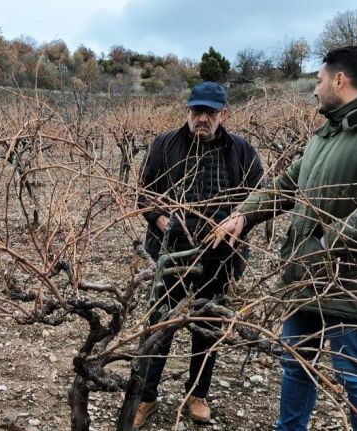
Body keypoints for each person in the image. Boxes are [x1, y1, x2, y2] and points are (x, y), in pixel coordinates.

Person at [208, 46, 357, 431]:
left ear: (339, 81)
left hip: (349, 282)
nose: (314, 90)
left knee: (354, 375)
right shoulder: (328, 131)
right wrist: (244, 215)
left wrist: (329, 244)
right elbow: (287, 184)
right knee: (295, 362)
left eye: (319, 80)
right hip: (304, 275)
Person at [134, 81, 263, 427]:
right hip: (169, 253)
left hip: (219, 258)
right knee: (160, 326)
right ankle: (146, 397)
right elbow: (144, 193)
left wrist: (240, 219)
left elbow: (257, 197)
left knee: (208, 326)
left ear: (224, 113)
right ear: (187, 111)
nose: (202, 118)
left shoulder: (241, 151)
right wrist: (160, 219)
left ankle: (198, 393)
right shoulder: (164, 145)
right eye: (196, 111)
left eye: (210, 112)